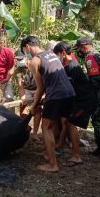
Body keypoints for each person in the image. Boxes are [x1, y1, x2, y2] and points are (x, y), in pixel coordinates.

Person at [23, 36, 76, 172]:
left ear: (27, 47)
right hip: (69, 92)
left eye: (24, 50)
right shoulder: (51, 54)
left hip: (56, 95)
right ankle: (75, 155)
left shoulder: (35, 61)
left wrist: (34, 105)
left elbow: (40, 88)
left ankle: (53, 164)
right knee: (69, 124)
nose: (25, 53)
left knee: (45, 127)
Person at [53, 41, 99, 167]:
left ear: (63, 53)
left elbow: (70, 88)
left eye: (57, 54)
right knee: (67, 121)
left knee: (72, 123)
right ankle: (60, 146)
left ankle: (76, 156)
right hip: (77, 99)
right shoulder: (66, 66)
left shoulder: (73, 67)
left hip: (84, 100)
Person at [14, 50, 41, 141]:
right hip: (27, 90)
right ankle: (25, 127)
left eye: (21, 59)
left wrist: (37, 96)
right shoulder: (18, 71)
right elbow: (21, 87)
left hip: (38, 88)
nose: (19, 61)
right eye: (18, 60)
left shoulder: (34, 66)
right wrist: (22, 98)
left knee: (37, 109)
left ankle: (35, 133)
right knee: (22, 106)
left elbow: (41, 84)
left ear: (27, 58)